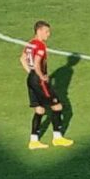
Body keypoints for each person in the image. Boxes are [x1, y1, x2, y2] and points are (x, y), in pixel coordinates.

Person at [21, 21, 73, 150]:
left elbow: (22, 59)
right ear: (39, 31)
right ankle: (57, 138)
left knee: (39, 110)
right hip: (39, 80)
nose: (48, 34)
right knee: (57, 106)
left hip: (31, 79)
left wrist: (31, 73)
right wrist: (41, 76)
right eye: (46, 31)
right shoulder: (40, 45)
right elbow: (37, 63)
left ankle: (33, 141)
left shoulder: (30, 44)